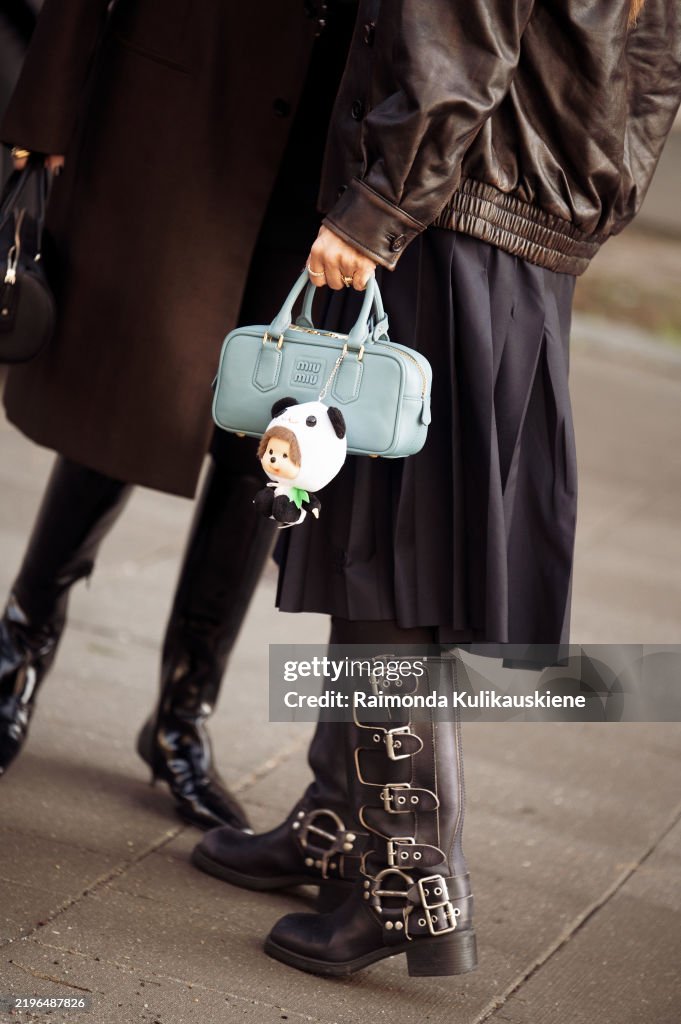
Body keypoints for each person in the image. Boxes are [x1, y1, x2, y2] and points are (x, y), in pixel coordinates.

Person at [192, 0, 681, 977]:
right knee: (380, 540)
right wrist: (582, 204)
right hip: (515, 227)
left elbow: (455, 42)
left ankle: (415, 887)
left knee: (392, 564)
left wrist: (378, 207)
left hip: (448, 216)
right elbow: (654, 67)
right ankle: (339, 821)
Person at [0, 0, 351, 830]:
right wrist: (43, 115)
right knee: (127, 394)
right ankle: (19, 647)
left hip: (325, 159)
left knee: (271, 441)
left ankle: (182, 715)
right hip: (177, 117)